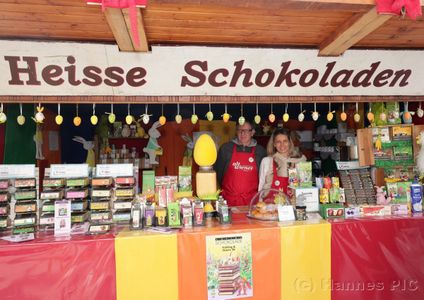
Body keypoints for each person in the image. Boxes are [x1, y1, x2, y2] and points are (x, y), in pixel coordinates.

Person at [214, 121, 267, 206]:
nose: (242, 133)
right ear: (236, 131)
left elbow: (264, 176)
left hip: (252, 201)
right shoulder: (226, 149)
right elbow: (219, 173)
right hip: (229, 200)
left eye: (246, 130)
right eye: (240, 130)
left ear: (252, 132)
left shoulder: (260, 151)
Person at [258, 128, 306, 195]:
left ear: (289, 142)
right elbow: (261, 185)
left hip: (293, 202)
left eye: (285, 141)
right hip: (271, 203)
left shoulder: (300, 160)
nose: (282, 145)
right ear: (274, 144)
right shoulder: (267, 161)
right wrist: (260, 202)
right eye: (278, 142)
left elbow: (305, 185)